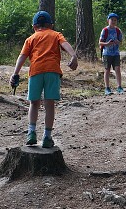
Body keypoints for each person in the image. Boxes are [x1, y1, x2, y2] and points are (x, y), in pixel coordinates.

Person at [9, 11, 78, 148]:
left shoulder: (30, 39)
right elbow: (65, 45)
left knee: (34, 103)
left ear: (34, 26)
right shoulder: (56, 34)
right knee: (49, 104)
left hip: (36, 72)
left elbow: (22, 57)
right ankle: (47, 136)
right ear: (50, 25)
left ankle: (31, 133)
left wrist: (15, 73)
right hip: (52, 71)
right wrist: (73, 56)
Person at [99, 12, 124, 95]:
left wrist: (117, 42)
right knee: (107, 70)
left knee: (117, 69)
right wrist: (107, 44)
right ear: (108, 20)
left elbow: (121, 42)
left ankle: (119, 87)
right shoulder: (105, 30)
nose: (113, 21)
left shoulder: (118, 30)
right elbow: (100, 43)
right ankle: (107, 88)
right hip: (106, 53)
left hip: (116, 53)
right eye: (112, 20)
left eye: (115, 20)